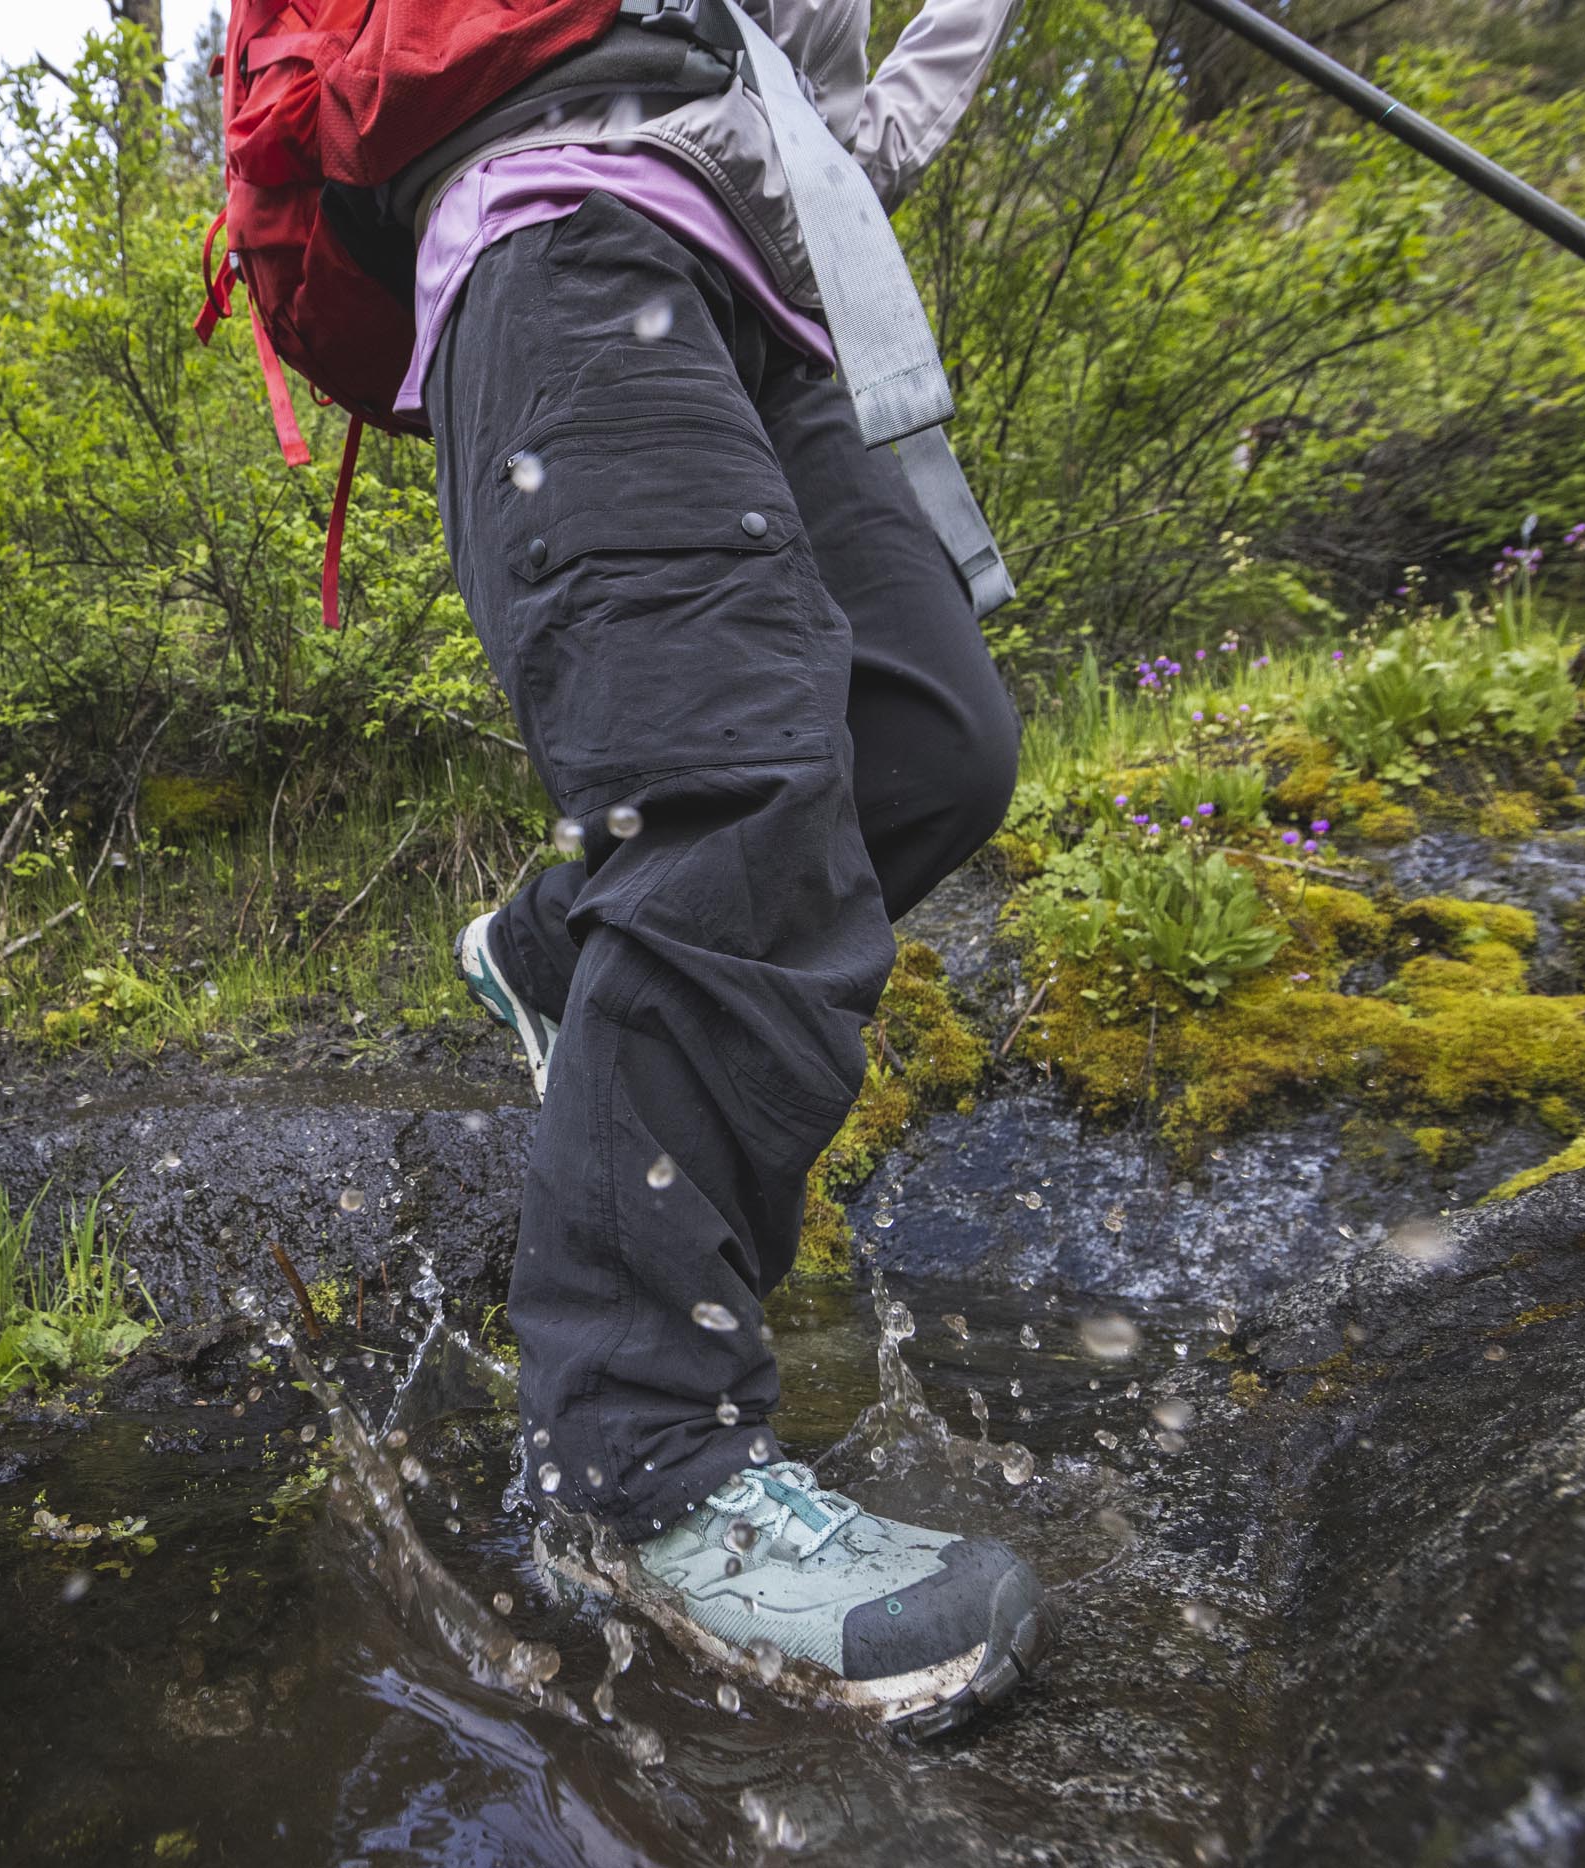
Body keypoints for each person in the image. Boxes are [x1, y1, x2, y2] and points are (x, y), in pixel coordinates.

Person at [413, 0, 1046, 1731]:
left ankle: (557, 952)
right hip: (557, 231)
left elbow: (841, 145)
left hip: (768, 298)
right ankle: (637, 1472)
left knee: (930, 750)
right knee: (736, 792)